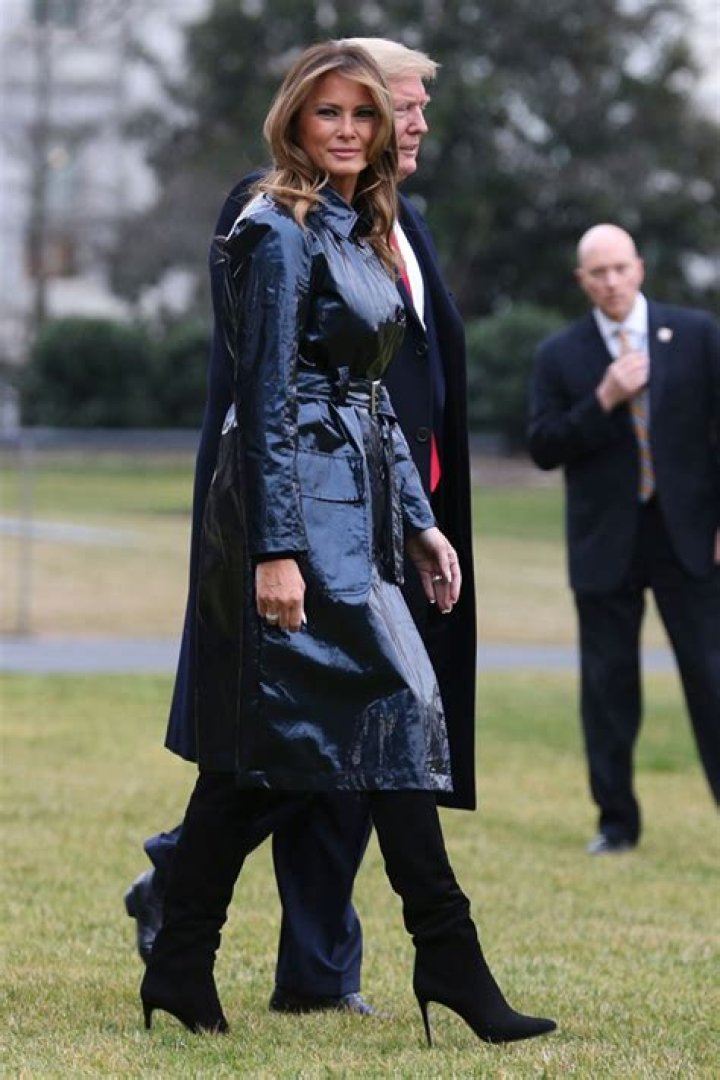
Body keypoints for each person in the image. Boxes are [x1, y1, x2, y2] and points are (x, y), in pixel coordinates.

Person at [139, 41, 555, 1047]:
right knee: (399, 712)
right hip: (295, 511)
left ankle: (179, 955)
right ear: (295, 119)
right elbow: (266, 397)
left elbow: (369, 395)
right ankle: (449, 958)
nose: (349, 131)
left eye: (364, 117)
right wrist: (275, 550)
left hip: (357, 508)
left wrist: (419, 525)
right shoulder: (273, 230)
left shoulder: (358, 228)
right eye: (329, 113)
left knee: (267, 762)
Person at [528, 223, 720, 854]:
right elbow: (544, 447)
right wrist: (603, 399)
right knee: (608, 690)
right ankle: (616, 824)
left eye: (619, 268)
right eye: (597, 273)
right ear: (582, 281)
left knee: (712, 678)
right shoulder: (561, 355)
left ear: (639, 267)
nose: (611, 281)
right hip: (605, 543)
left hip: (689, 538)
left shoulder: (696, 335)